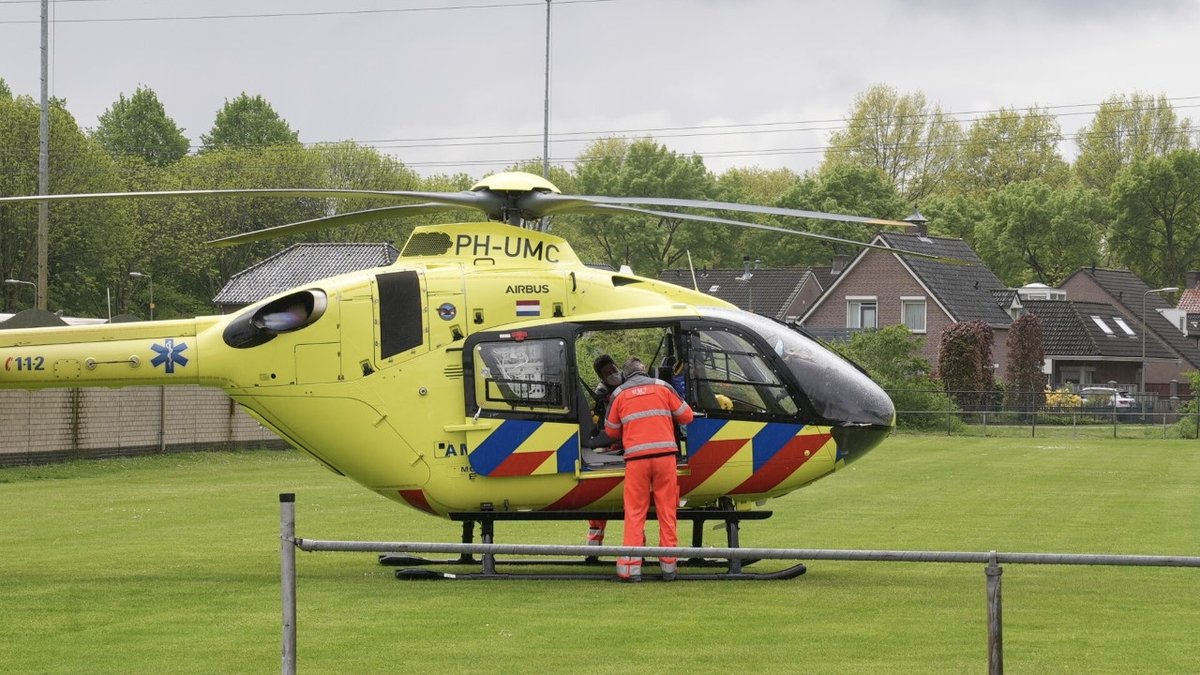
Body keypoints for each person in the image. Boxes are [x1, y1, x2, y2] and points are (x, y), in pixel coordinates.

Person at [588, 356, 694, 582]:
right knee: (667, 512)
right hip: (665, 458)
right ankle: (669, 567)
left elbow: (611, 431)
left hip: (636, 460)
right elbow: (687, 416)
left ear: (625, 374)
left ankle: (630, 568)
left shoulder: (619, 394)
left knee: (635, 513)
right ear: (644, 370)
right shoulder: (663, 387)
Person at [584, 354, 623, 559]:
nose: (612, 374)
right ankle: (593, 550)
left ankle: (637, 550)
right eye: (607, 373)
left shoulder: (625, 386)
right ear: (601, 376)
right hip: (611, 446)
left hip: (622, 445)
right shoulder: (601, 395)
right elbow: (603, 426)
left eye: (613, 369)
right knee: (598, 507)